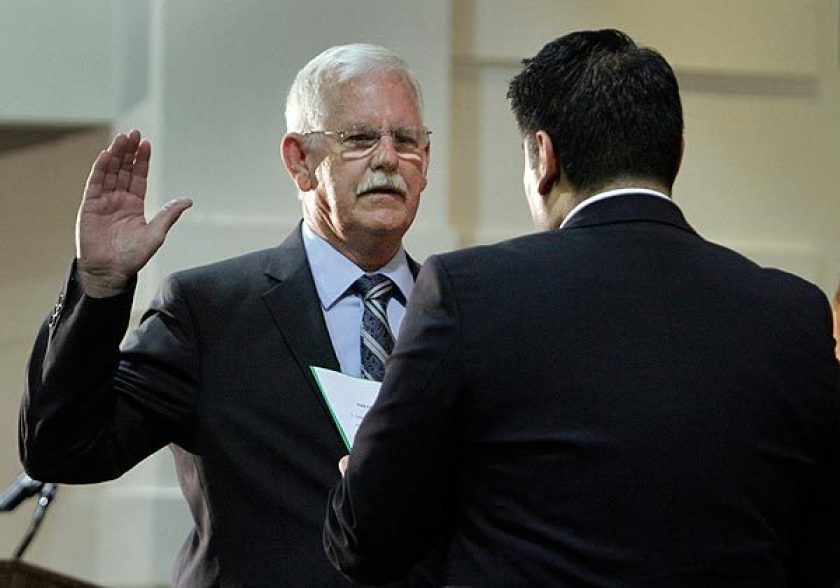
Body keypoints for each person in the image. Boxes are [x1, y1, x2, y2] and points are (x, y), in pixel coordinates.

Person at [324, 29, 840, 587]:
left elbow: (362, 540)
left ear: (544, 157)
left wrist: (367, 479)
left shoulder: (468, 292)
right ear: (675, 155)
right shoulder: (793, 315)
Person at [20, 44, 435, 587]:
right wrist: (99, 287)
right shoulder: (210, 311)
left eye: (406, 140)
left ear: (425, 159)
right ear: (299, 161)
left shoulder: (463, 314)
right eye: (359, 139)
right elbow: (62, 451)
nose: (388, 158)